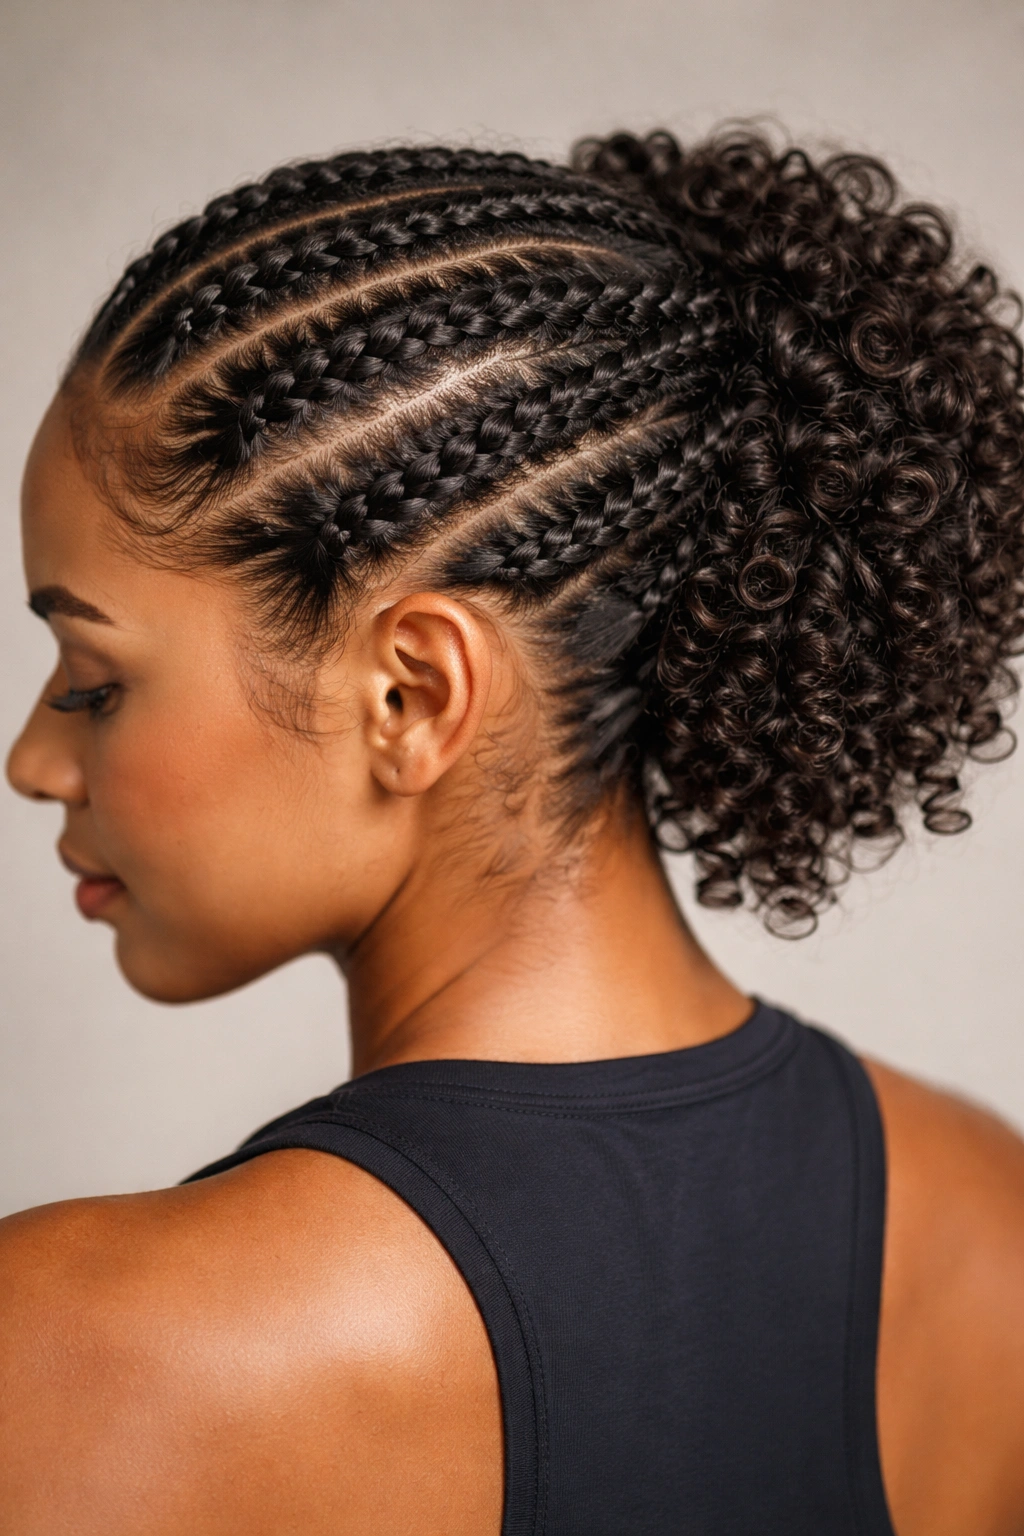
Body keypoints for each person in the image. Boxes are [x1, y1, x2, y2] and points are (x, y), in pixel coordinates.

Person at [1, 126, 1023, 1536]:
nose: (33, 762)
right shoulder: (985, 1219)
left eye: (93, 680)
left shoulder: (72, 1358)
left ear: (412, 694)